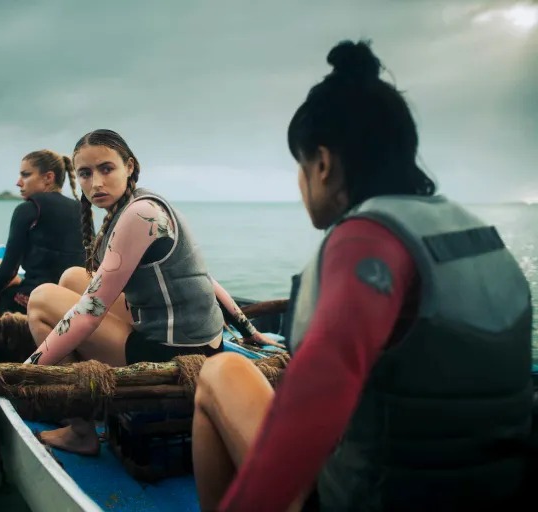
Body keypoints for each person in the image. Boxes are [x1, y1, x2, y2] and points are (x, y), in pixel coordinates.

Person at [191, 40, 533, 512]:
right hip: (496, 490)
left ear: (323, 164)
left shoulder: (366, 241)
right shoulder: (475, 234)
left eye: (300, 166)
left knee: (219, 372)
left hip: (377, 500)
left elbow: (317, 397)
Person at [23, 129, 273, 455]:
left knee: (41, 299)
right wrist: (249, 331)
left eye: (106, 169)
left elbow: (89, 314)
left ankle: (80, 430)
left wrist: (27, 371)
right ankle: (82, 405)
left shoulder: (138, 215)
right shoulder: (146, 202)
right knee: (72, 278)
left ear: (129, 167)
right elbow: (206, 279)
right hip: (205, 342)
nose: (96, 183)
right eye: (85, 173)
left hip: (175, 353)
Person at [0, 150, 84, 317]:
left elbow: (8, 270)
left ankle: (3, 325)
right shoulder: (81, 209)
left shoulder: (28, 209)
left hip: (34, 303)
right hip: (71, 303)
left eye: (25, 175)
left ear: (48, 177)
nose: (18, 183)